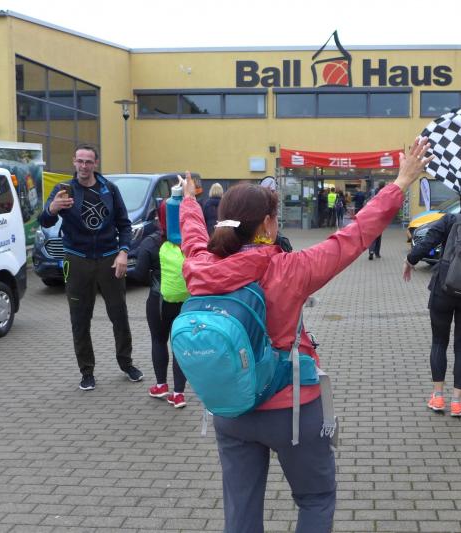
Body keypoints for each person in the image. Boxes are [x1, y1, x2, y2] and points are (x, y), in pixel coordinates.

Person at [177, 136, 433, 532]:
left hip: (230, 406)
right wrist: (399, 183)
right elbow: (353, 236)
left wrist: (188, 200)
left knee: (240, 510)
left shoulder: (199, 266)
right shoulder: (289, 269)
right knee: (315, 499)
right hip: (291, 408)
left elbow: (193, 236)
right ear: (268, 224)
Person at [39, 144, 143, 390]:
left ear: (96, 163)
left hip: (109, 259)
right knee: (80, 318)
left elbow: (124, 225)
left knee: (119, 315)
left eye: (88, 161)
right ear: (74, 162)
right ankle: (86, 372)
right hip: (77, 260)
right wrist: (52, 209)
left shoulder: (110, 189)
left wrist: (123, 252)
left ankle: (126, 363)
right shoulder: (63, 190)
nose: (84, 166)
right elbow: (45, 221)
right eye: (80, 161)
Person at [403, 181, 461, 417]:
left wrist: (410, 260)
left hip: (443, 291)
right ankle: (457, 401)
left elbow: (427, 242)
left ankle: (437, 397)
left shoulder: (449, 220)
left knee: (439, 342)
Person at [132, 202, 188, 408]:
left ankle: (161, 385)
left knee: (158, 341)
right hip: (186, 302)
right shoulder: (191, 241)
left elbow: (139, 274)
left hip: (159, 302)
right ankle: (179, 394)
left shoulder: (151, 242)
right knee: (180, 345)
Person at [368, 182, 385, 260]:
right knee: (378, 236)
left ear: (378, 185)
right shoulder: (385, 193)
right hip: (380, 216)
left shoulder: (372, 192)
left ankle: (371, 251)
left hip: (372, 215)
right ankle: (377, 253)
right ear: (383, 186)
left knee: (372, 236)